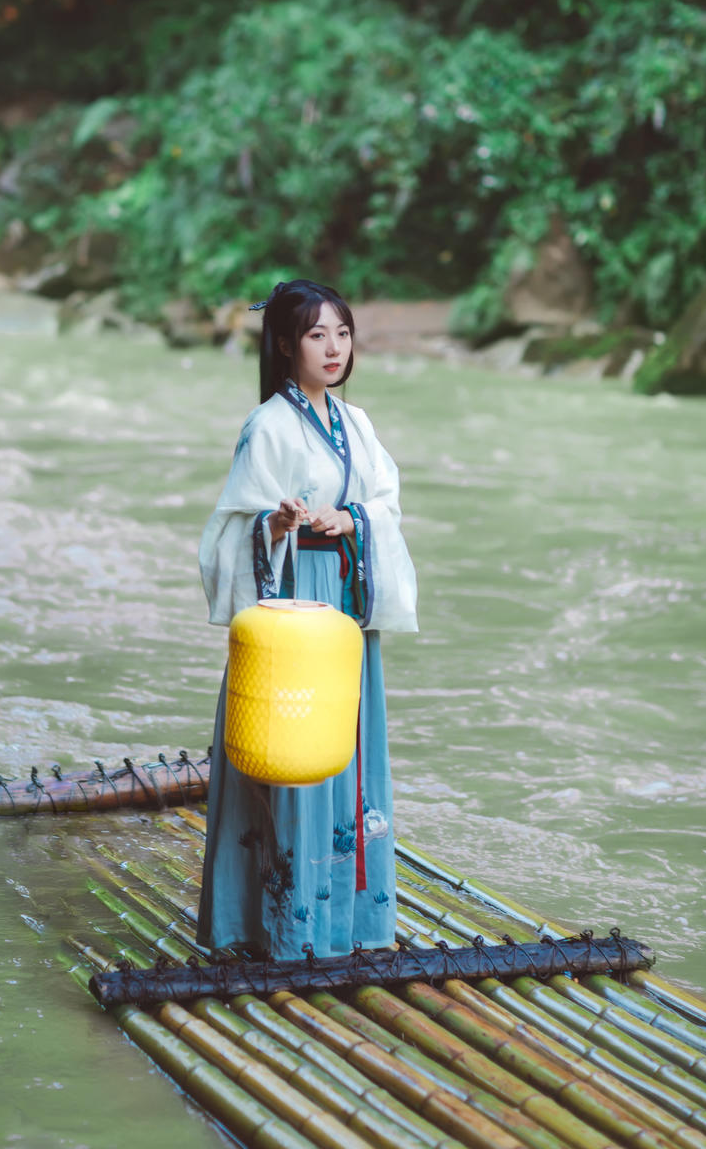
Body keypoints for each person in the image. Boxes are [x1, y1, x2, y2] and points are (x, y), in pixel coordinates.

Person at [196, 279, 418, 959]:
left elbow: (385, 502)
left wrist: (349, 517)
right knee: (284, 745)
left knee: (343, 746)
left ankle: (347, 924)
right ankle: (275, 928)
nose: (334, 348)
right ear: (287, 344)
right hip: (293, 598)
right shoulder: (267, 426)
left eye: (343, 334)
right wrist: (278, 522)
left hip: (344, 601)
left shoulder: (358, 425)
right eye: (318, 335)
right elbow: (231, 527)